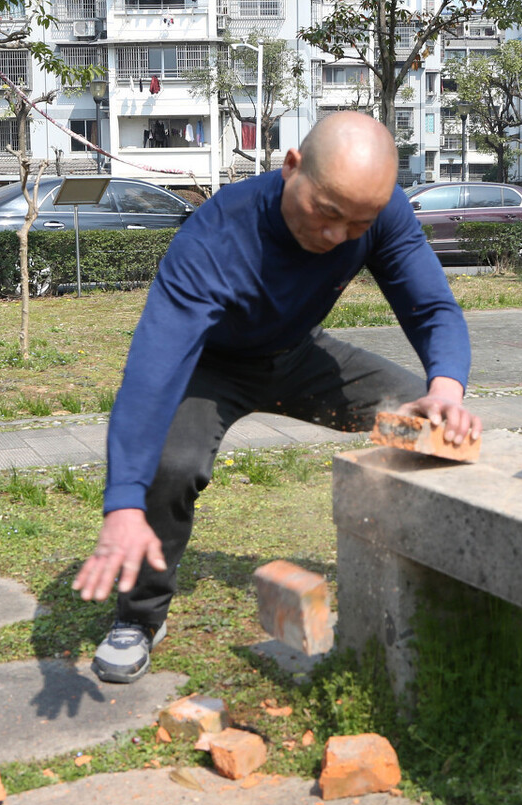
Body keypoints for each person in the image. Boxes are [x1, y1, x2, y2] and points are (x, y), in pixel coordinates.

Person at [72, 111, 482, 684]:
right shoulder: (214, 239)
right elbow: (152, 374)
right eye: (328, 214)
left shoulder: (377, 211)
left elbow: (431, 307)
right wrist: (121, 504)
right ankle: (139, 618)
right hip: (211, 369)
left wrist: (445, 388)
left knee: (427, 423)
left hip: (297, 356)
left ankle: (430, 580)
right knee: (171, 465)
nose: (338, 237)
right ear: (291, 167)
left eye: (358, 224)